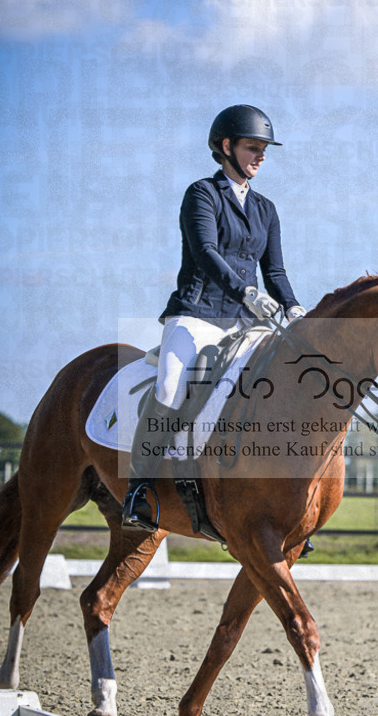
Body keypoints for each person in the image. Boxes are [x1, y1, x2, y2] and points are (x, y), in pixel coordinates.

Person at [122, 104, 306, 531]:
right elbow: (205, 253)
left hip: (246, 322)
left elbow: (274, 270)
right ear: (226, 147)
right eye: (252, 147)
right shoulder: (202, 194)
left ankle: (282, 503)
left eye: (264, 149)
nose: (260, 156)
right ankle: (138, 490)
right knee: (170, 386)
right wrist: (247, 292)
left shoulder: (266, 208)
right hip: (197, 313)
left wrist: (293, 306)